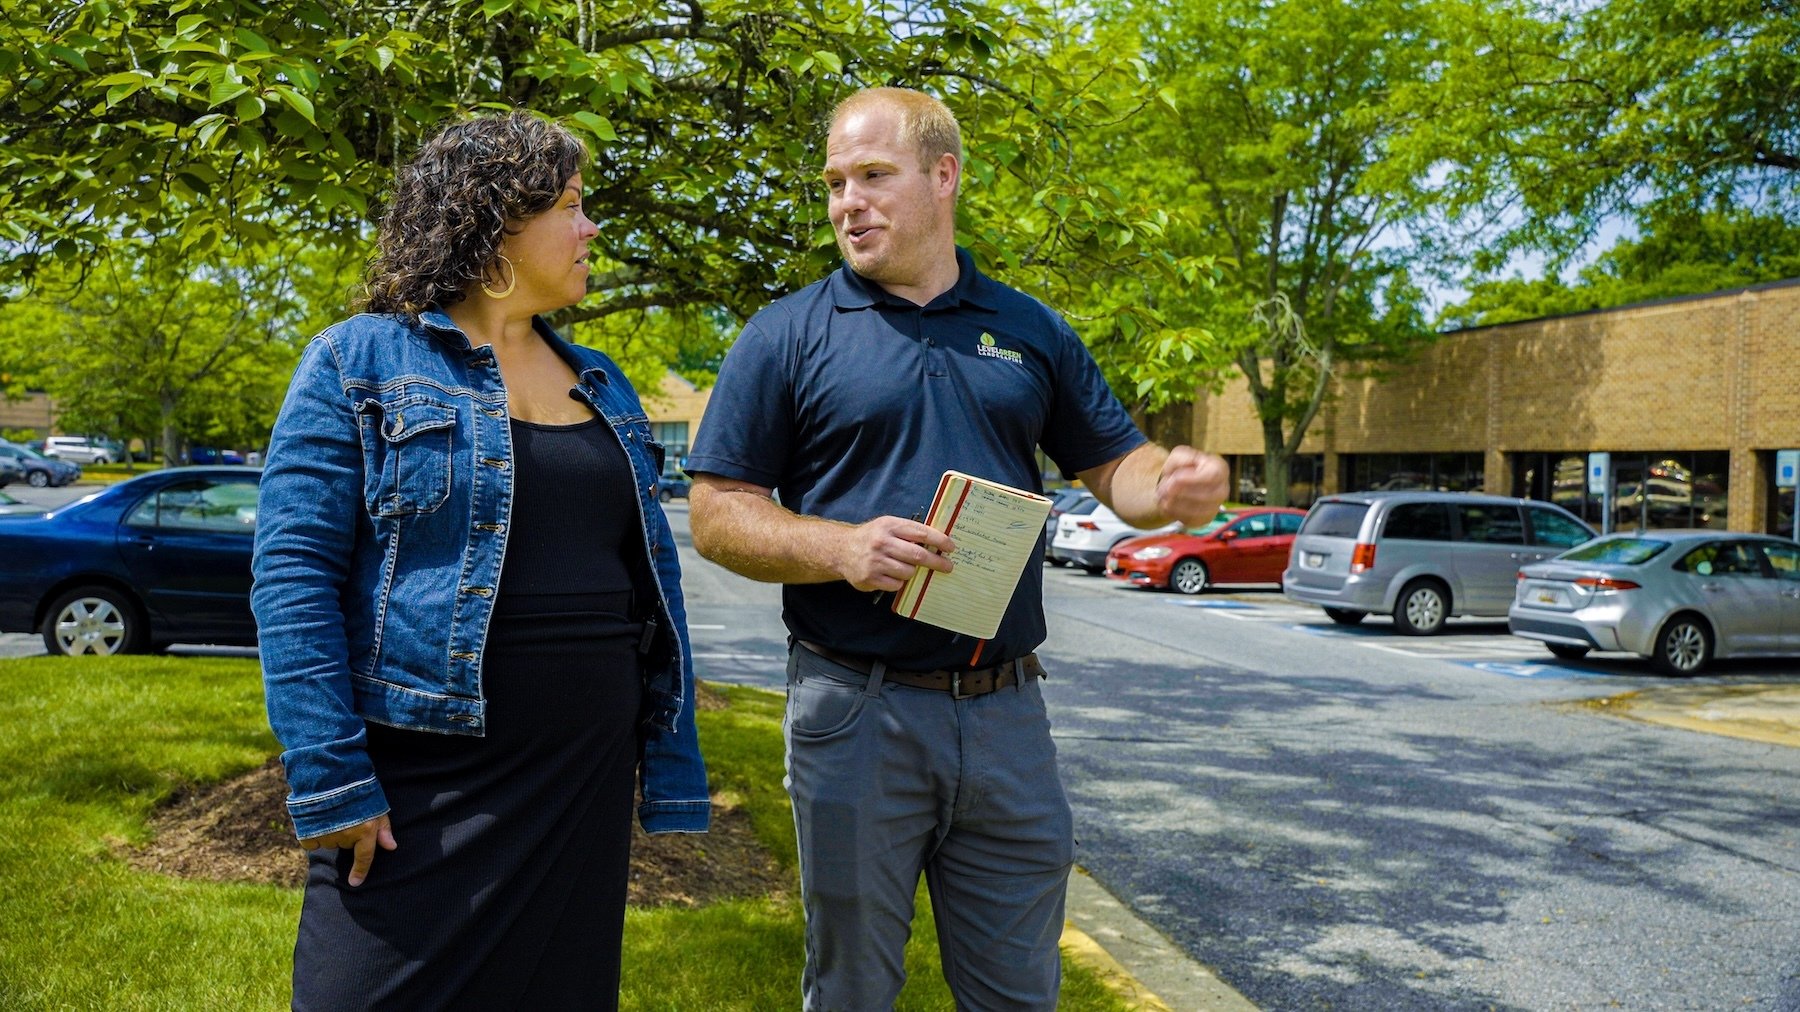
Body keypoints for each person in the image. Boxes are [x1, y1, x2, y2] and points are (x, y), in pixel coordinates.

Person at [684, 86, 1230, 1011]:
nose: (845, 202)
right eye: (833, 182)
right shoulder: (785, 334)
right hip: (855, 710)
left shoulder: (1030, 329)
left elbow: (1118, 470)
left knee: (1020, 992)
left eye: (871, 176)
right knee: (853, 988)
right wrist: (839, 547)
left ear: (944, 176)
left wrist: (1168, 489)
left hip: (1008, 715)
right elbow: (716, 510)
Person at [251, 110, 708, 1010]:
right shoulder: (358, 359)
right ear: (496, 217)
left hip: (581, 783)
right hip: (423, 774)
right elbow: (291, 576)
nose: (591, 230)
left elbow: (649, 588)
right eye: (572, 208)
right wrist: (331, 776)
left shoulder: (603, 382)